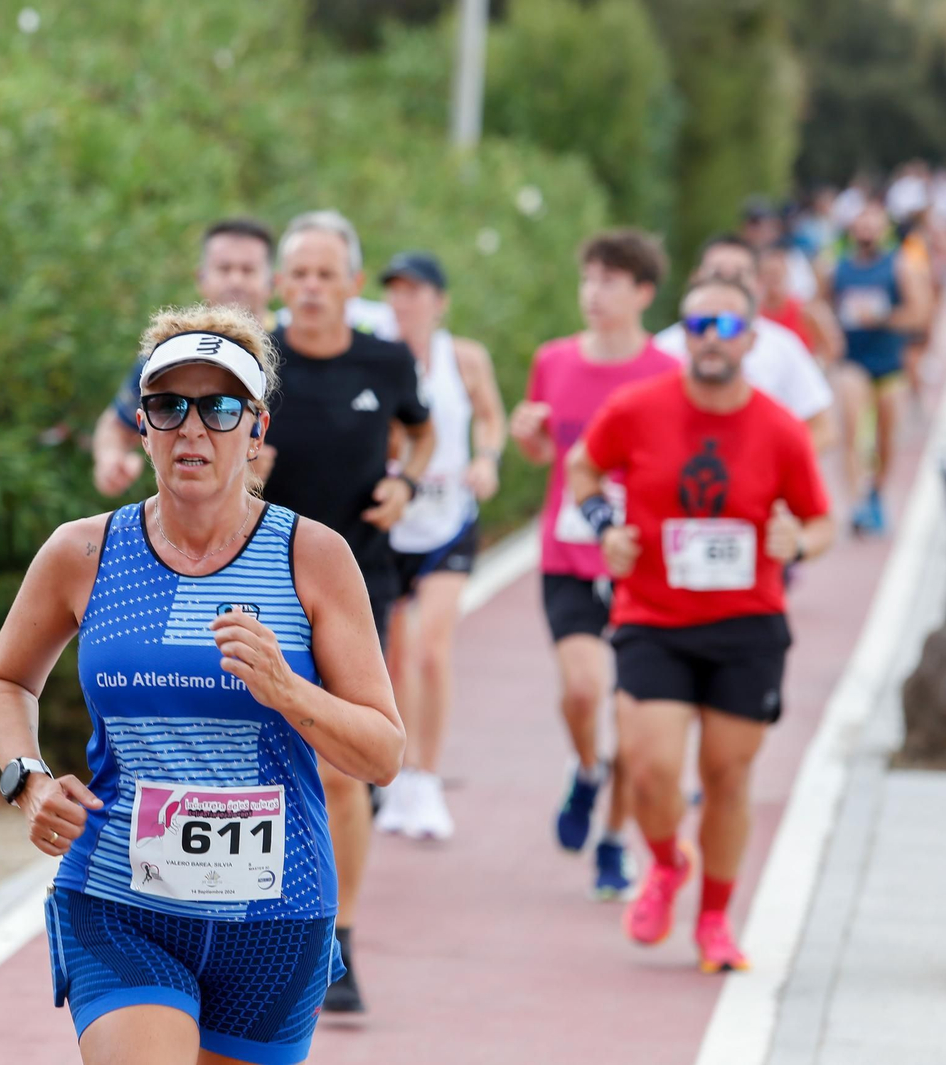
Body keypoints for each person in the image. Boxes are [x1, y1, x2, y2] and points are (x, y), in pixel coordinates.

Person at [0, 303, 406, 1065]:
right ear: (142, 426)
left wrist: (288, 689)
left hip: (276, 917)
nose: (193, 428)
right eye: (169, 406)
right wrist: (29, 780)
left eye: (219, 407)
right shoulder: (82, 552)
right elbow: (6, 677)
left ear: (257, 429)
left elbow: (381, 755)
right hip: (120, 899)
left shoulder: (313, 558)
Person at [568, 277, 834, 973]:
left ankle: (715, 919)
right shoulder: (637, 408)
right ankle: (664, 862)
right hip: (653, 618)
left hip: (747, 625)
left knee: (727, 775)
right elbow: (583, 468)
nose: (710, 337)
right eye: (697, 325)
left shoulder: (779, 427)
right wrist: (607, 530)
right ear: (683, 336)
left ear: (751, 338)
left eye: (725, 324)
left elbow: (821, 519)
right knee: (653, 770)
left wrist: (796, 544)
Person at [261, 210, 435, 1013]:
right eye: (298, 274)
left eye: (327, 275)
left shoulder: (386, 358)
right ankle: (256, 926)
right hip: (262, 577)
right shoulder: (257, 356)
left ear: (354, 286)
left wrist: (406, 483)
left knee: (340, 769)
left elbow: (420, 432)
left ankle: (340, 940)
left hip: (360, 582)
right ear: (280, 283)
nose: (311, 289)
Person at [509, 229, 679, 900]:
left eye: (610, 281)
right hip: (569, 554)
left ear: (643, 292)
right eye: (588, 279)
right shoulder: (553, 360)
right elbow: (541, 455)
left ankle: (614, 843)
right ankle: (586, 770)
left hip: (642, 561)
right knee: (584, 692)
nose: (594, 293)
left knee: (636, 721)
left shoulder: (668, 373)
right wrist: (526, 439)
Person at [371, 251, 506, 842]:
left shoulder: (465, 357)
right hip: (392, 521)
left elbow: (491, 419)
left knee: (431, 648)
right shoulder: (375, 354)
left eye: (417, 291)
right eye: (396, 291)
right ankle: (397, 781)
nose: (405, 302)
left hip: (449, 518)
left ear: (439, 301)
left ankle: (426, 776)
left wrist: (486, 459)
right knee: (395, 659)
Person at [93, 218, 278, 498]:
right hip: (187, 533)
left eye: (248, 270)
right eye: (224, 268)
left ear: (272, 282)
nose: (236, 280)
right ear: (201, 278)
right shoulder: (172, 356)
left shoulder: (300, 349)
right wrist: (110, 461)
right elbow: (118, 423)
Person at [655, 236, 837, 454]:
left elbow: (821, 427)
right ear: (696, 278)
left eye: (739, 275)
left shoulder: (782, 345)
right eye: (717, 274)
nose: (727, 283)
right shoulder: (664, 346)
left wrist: (775, 466)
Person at [831, 200, 933, 536]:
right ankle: (857, 500)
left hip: (889, 363)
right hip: (853, 361)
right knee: (850, 427)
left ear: (884, 228)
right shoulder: (837, 267)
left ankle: (877, 493)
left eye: (873, 224)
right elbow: (819, 307)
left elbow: (920, 312)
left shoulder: (900, 265)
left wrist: (882, 318)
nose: (866, 230)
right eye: (861, 223)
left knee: (885, 439)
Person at [757, 242, 844, 365]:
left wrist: (816, 366)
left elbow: (832, 347)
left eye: (776, 275)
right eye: (768, 275)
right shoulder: (754, 314)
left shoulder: (807, 310)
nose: (772, 281)